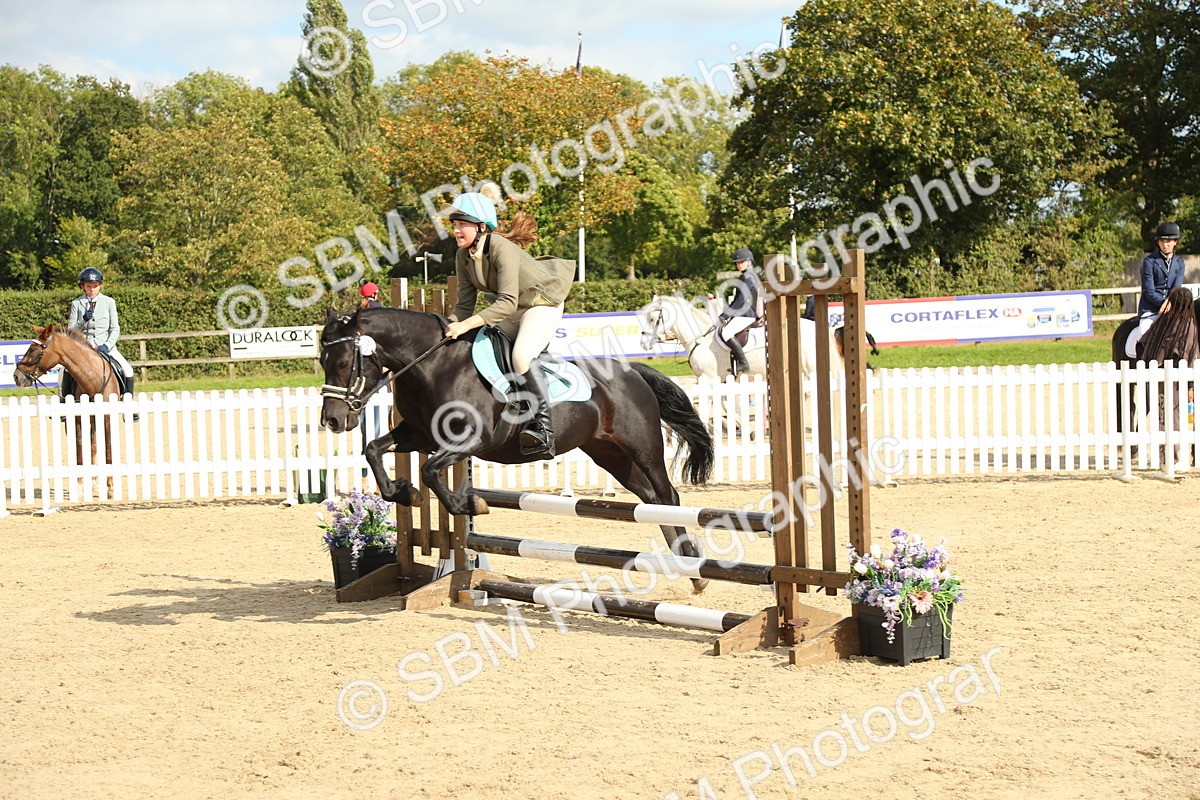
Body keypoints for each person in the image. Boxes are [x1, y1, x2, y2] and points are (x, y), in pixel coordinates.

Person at [441, 192, 575, 458]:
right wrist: (447, 329)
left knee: (521, 355)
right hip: (514, 309)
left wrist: (465, 324)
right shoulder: (463, 256)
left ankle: (544, 427)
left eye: (461, 224)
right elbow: (464, 306)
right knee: (482, 344)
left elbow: (506, 302)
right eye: (454, 224)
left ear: (481, 226)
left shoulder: (501, 248)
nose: (455, 229)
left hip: (542, 304)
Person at [1139, 285, 1199, 469]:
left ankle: (1163, 457)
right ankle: (1173, 459)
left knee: (1161, 417)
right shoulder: (1189, 326)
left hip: (1155, 374)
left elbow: (1143, 342)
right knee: (1174, 418)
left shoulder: (1162, 321)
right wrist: (1190, 385)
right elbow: (1190, 356)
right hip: (1175, 380)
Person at [67, 267, 135, 397]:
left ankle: (129, 406)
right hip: (83, 349)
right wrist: (83, 320)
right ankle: (64, 405)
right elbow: (71, 331)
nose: (92, 289)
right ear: (83, 286)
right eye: (88, 286)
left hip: (105, 347)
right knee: (64, 370)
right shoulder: (77, 303)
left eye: (95, 286)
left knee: (128, 370)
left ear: (100, 285)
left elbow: (115, 328)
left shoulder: (109, 302)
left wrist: (107, 345)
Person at [1130, 221, 1186, 357]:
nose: (1165, 245)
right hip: (1151, 308)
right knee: (1144, 330)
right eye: (1162, 241)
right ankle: (1143, 361)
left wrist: (1170, 303)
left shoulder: (1180, 263)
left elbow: (1176, 288)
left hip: (1172, 308)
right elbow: (1148, 290)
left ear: (1175, 242)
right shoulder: (1150, 262)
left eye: (1168, 241)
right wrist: (1163, 303)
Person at [717, 247, 763, 375]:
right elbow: (737, 300)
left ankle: (743, 363)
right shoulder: (746, 276)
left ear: (749, 262)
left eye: (741, 262)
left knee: (726, 333)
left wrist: (726, 315)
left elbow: (740, 301)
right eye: (737, 263)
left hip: (747, 314)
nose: (738, 265)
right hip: (744, 312)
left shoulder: (748, 277)